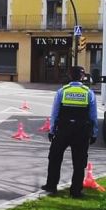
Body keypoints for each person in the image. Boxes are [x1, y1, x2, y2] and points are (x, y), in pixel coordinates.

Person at [41, 66, 98, 198]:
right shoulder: (88, 93)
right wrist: (94, 133)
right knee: (79, 162)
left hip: (63, 130)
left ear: (69, 75)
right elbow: (93, 116)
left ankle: (51, 186)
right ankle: (76, 191)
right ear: (82, 77)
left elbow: (55, 113)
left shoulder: (62, 91)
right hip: (81, 131)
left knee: (55, 158)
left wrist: (52, 130)